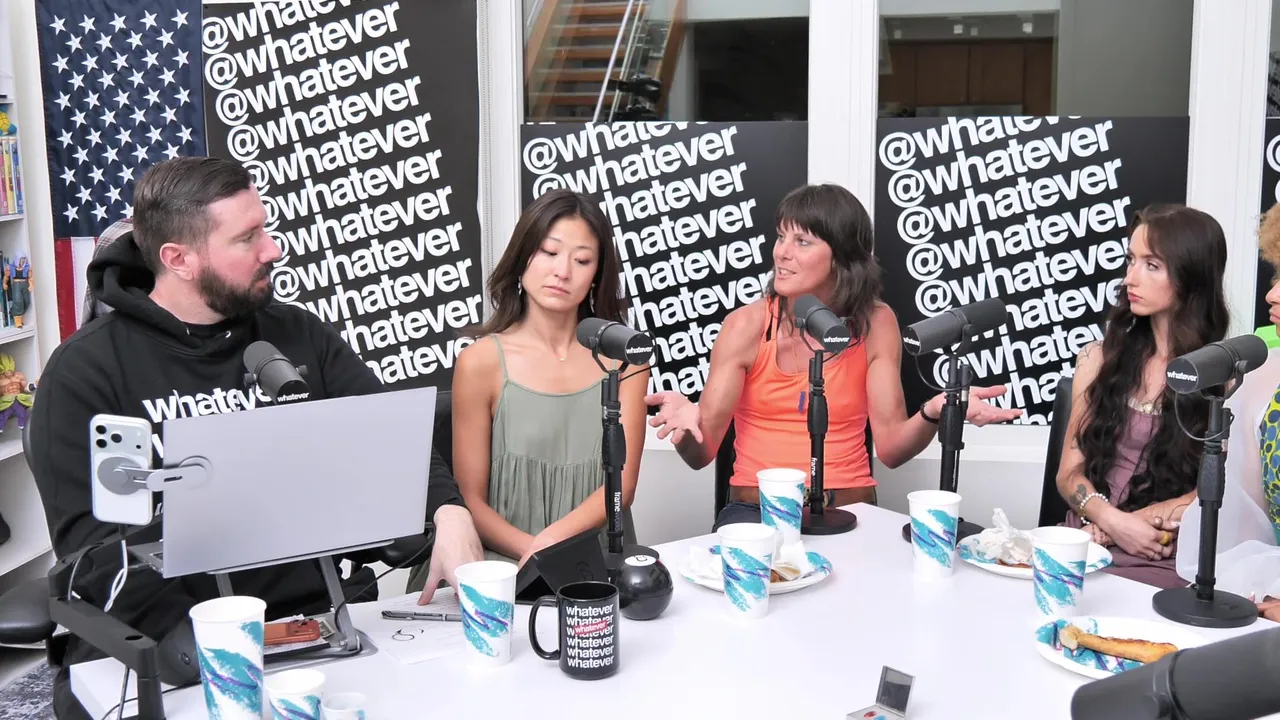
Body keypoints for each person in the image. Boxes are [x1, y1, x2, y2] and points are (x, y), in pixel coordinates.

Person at [28, 157, 484, 718]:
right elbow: (92, 555)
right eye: (247, 238)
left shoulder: (296, 334)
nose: (273, 249)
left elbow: (392, 438)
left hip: (311, 626)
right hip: (171, 643)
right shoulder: (84, 372)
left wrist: (449, 512)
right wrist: (215, 643)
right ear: (178, 259)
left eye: (264, 228)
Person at [645, 183, 1021, 528]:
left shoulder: (877, 322)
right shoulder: (746, 326)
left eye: (802, 242)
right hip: (757, 512)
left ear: (842, 258)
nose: (782, 252)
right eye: (781, 237)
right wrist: (686, 429)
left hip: (852, 509)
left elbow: (892, 449)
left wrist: (936, 410)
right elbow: (701, 455)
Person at [407, 189, 649, 583]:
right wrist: (531, 552)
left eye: (582, 260)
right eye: (549, 252)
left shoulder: (625, 359)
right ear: (522, 259)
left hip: (589, 558)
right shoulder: (480, 361)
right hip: (498, 559)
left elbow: (621, 487)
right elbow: (469, 499)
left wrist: (548, 547)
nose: (562, 271)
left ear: (597, 274)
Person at [1056, 203, 1228, 590]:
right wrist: (1110, 521)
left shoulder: (1225, 378)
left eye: (1152, 265)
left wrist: (1126, 528)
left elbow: (1211, 494)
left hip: (1160, 556)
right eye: (1131, 260)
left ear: (1191, 274)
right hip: (1083, 540)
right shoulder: (1097, 359)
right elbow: (1068, 475)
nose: (1130, 278)